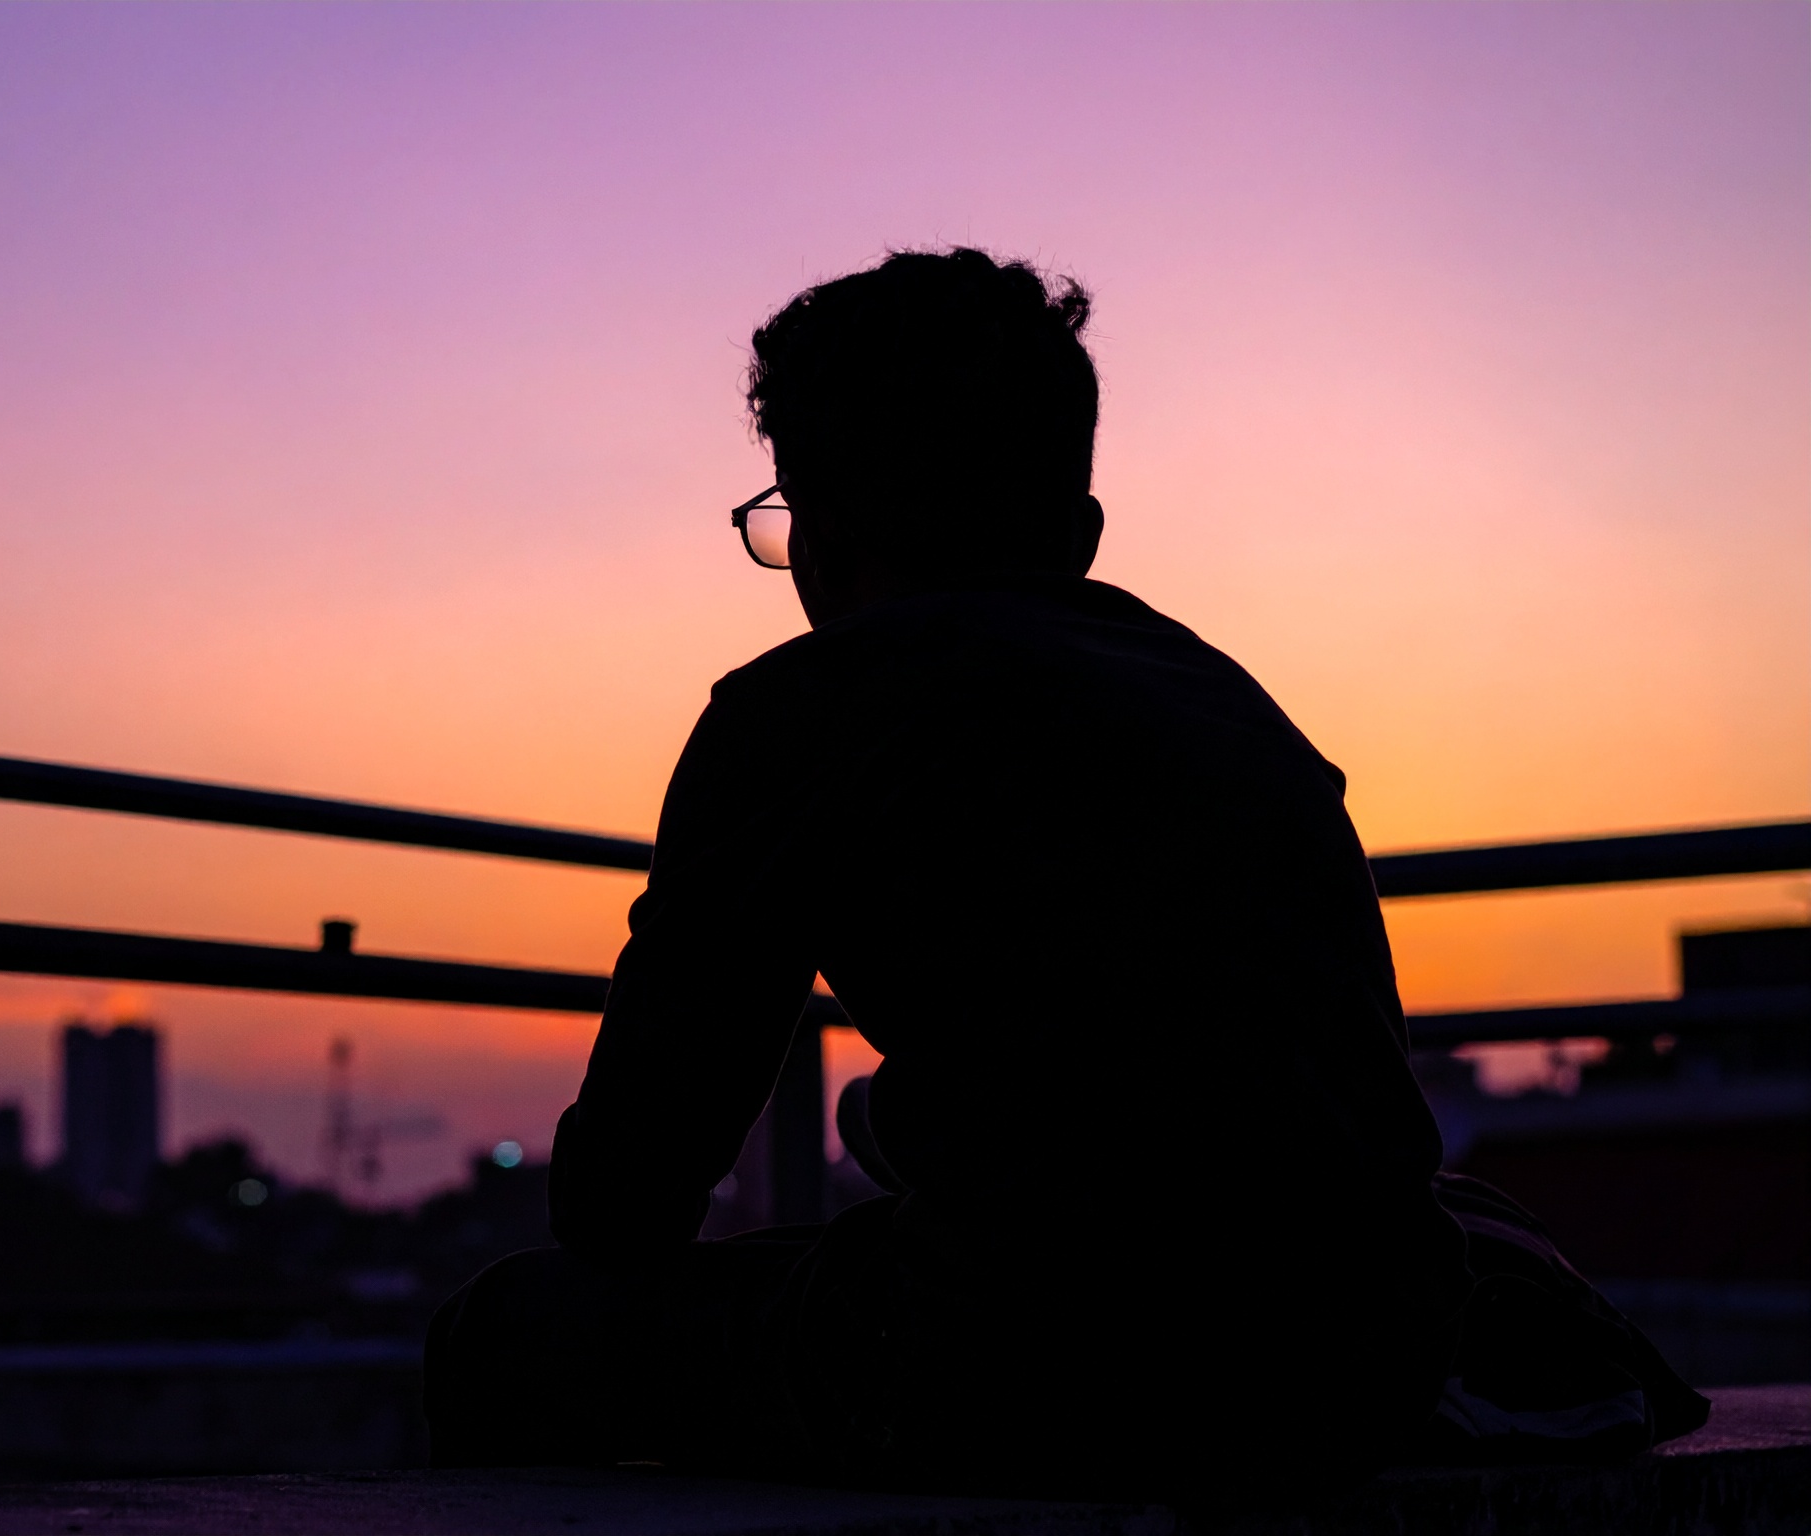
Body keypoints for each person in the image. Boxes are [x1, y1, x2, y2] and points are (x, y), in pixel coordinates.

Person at [423, 248, 1703, 1501]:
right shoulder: (1233, 702)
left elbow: (626, 1200)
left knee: (506, 1330)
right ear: (1080, 531)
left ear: (817, 526)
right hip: (1365, 1355)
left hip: (1042, 1364)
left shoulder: (801, 710)